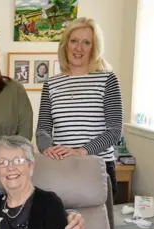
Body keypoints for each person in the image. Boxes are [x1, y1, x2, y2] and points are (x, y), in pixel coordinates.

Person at [35, 17, 123, 196]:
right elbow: (42, 130)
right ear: (65, 45)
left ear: (94, 47)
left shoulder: (108, 80)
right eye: (74, 41)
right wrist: (47, 149)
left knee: (99, 224)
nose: (78, 48)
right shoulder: (51, 84)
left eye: (86, 42)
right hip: (61, 167)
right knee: (62, 223)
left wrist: (81, 151)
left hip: (98, 167)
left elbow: (114, 131)